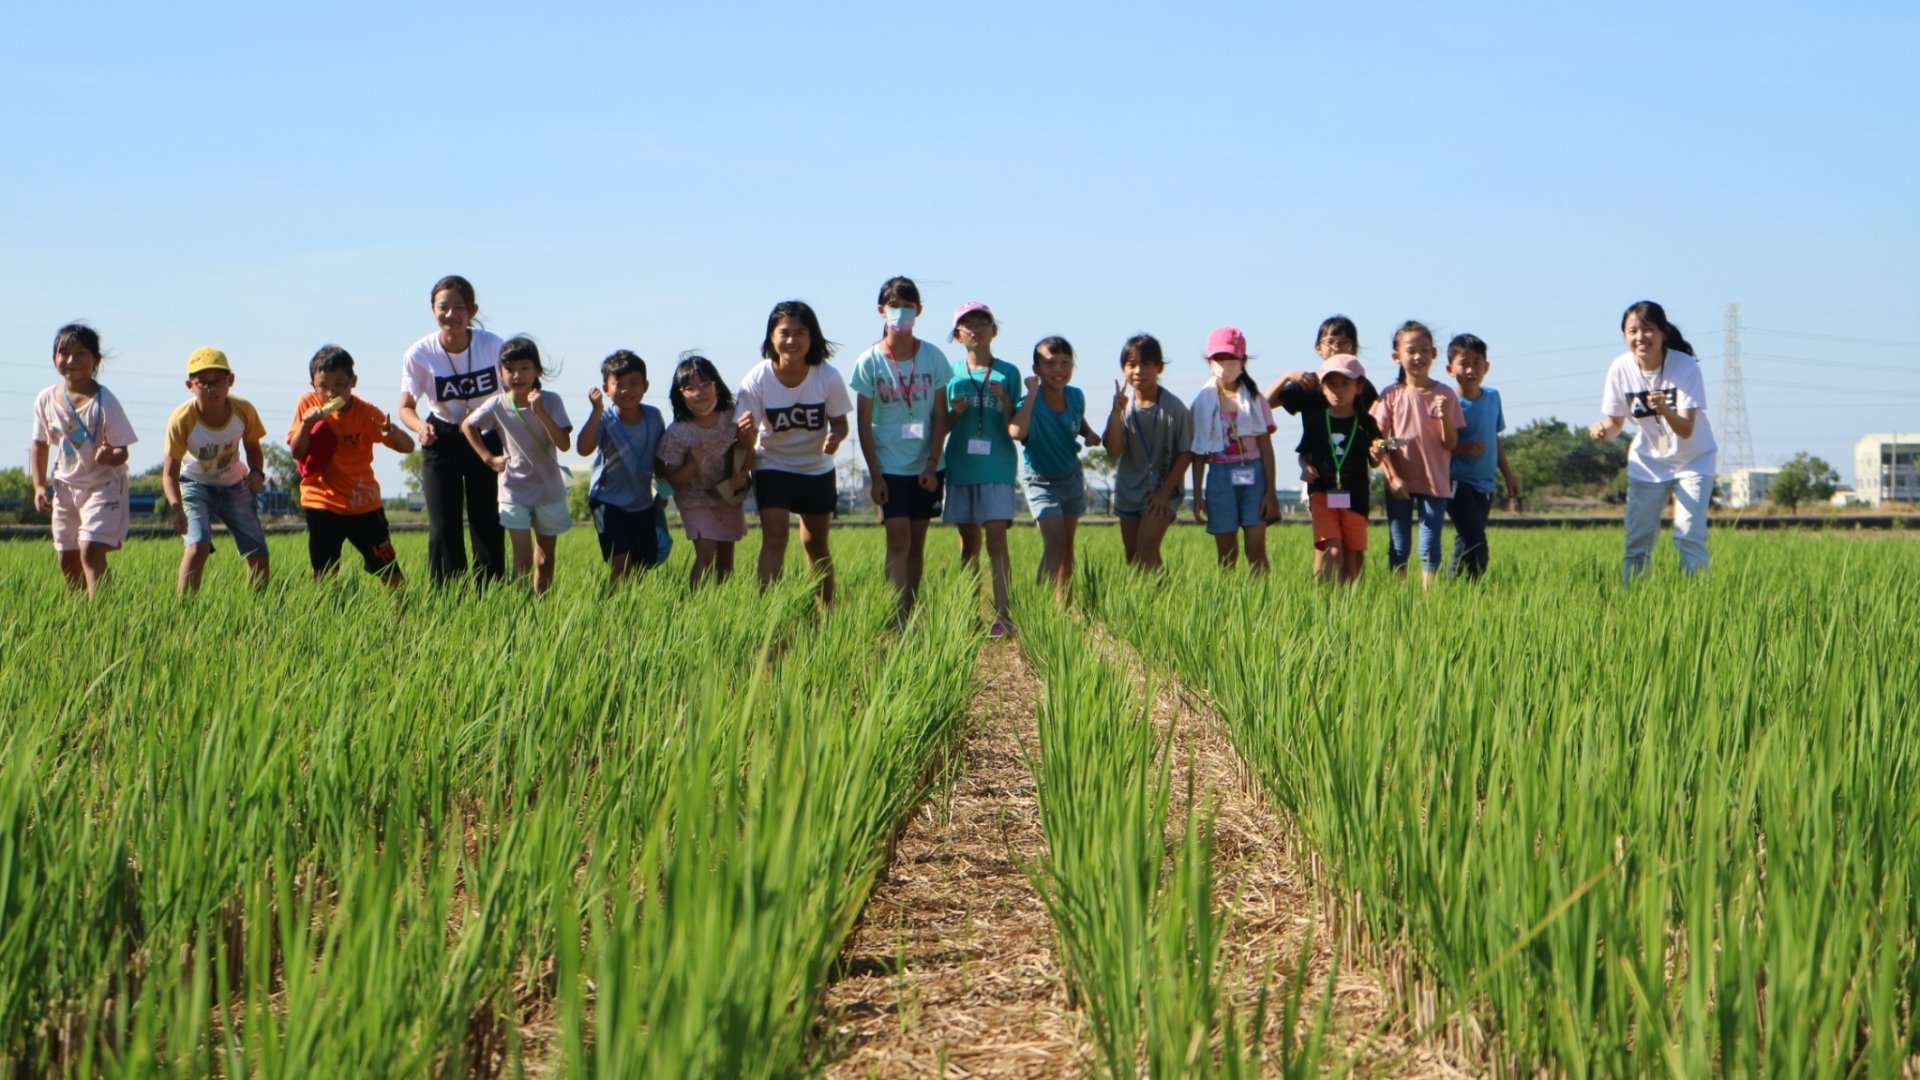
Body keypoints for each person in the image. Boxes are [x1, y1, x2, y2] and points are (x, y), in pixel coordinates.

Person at [1588, 300, 1717, 582]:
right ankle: (1632, 600)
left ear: (1663, 333)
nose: (1640, 337)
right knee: (1637, 542)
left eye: (1648, 329)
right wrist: (1602, 430)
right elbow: (1615, 423)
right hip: (1648, 464)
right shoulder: (1620, 368)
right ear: (1624, 336)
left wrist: (1664, 408)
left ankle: (1699, 601)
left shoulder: (1684, 367)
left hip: (1693, 460)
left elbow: (1685, 429)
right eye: (1632, 331)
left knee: (1689, 536)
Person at [849, 276, 952, 623]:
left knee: (918, 542)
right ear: (881, 311)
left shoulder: (934, 358)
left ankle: (910, 608)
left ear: (918, 310)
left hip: (926, 466)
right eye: (894, 307)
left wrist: (932, 463)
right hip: (889, 465)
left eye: (908, 307)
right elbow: (863, 423)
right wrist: (875, 475)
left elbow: (941, 415)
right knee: (897, 539)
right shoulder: (869, 362)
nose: (901, 314)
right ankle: (895, 617)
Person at [737, 300, 850, 604]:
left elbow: (840, 422)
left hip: (816, 467)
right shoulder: (756, 380)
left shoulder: (827, 376)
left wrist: (835, 437)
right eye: (784, 333)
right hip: (772, 465)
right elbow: (745, 436)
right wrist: (746, 434)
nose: (791, 340)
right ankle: (769, 612)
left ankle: (825, 614)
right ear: (771, 338)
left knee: (815, 543)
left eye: (800, 332)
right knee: (775, 539)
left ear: (812, 337)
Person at [399, 274, 506, 584]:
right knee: (443, 524)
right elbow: (406, 407)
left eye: (459, 307)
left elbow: (514, 390)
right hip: (441, 436)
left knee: (486, 519)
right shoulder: (419, 353)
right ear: (433, 310)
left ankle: (491, 590)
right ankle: (448, 595)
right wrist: (420, 427)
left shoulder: (492, 345)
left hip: (485, 436)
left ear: (472, 310)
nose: (451, 315)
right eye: (443, 307)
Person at [288, 345, 414, 586]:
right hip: (320, 500)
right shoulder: (307, 403)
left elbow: (408, 447)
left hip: (363, 503)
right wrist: (306, 425)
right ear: (313, 384)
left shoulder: (366, 414)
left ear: (352, 382)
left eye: (339, 384)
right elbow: (297, 450)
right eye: (322, 386)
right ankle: (326, 618)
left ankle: (402, 620)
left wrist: (393, 432)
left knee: (389, 570)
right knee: (324, 572)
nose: (330, 393)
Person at [29, 323, 135, 596]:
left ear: (95, 361)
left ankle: (103, 612)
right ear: (54, 358)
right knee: (67, 556)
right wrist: (40, 486)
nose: (71, 360)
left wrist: (110, 456)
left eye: (80, 353)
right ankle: (79, 615)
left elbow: (122, 451)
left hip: (102, 486)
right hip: (64, 487)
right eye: (64, 353)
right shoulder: (45, 399)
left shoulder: (105, 402)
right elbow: (40, 444)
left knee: (90, 549)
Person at [461, 336, 572, 595]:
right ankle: (520, 614)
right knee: (521, 562)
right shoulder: (498, 404)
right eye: (509, 369)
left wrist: (540, 411)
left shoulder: (551, 401)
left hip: (549, 491)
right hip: (513, 492)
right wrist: (488, 458)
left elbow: (564, 444)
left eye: (524, 368)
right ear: (500, 373)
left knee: (544, 562)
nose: (517, 375)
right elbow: (468, 425)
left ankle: (541, 609)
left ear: (537, 371)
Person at [939, 302, 1023, 637]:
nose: (975, 329)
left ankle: (1004, 615)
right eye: (967, 324)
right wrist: (956, 413)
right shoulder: (950, 375)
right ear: (958, 335)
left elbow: (1015, 427)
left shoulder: (1008, 373)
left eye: (982, 323)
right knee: (967, 542)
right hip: (961, 466)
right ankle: (968, 614)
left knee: (997, 539)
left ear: (994, 330)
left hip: (997, 465)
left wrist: (1004, 401)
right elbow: (940, 427)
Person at [161, 348, 270, 595]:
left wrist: (257, 472)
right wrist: (177, 508)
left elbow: (253, 447)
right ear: (190, 384)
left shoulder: (243, 410)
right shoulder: (182, 419)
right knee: (198, 545)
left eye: (218, 381)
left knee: (258, 552)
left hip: (235, 484)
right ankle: (184, 610)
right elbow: (170, 472)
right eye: (203, 382)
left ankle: (260, 608)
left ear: (229, 381)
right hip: (195, 484)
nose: (212, 388)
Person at [1273, 354, 1387, 584]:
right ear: (1322, 388)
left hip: (1356, 496)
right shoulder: (1316, 421)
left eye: (1345, 383)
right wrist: (1305, 469)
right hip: (1322, 495)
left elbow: (1374, 460)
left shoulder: (1367, 423)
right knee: (1333, 550)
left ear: (1359, 387)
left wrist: (1378, 456)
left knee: (1353, 558)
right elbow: (1304, 454)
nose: (1338, 390)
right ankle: (1326, 601)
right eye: (1331, 384)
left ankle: (1348, 607)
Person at [1266, 315, 1362, 580]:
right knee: (1326, 544)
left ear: (1353, 348)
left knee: (1353, 549)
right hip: (1318, 477)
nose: (1336, 347)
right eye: (1330, 341)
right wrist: (1288, 375)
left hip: (1355, 479)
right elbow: (1262, 405)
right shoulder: (1307, 385)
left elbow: (1378, 421)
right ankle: (1323, 602)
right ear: (1318, 348)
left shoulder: (1360, 386)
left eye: (1343, 342)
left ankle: (1354, 603)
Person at [1371, 320, 1461, 589]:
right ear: (1397, 356)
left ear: (1434, 354)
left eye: (1424, 350)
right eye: (1411, 351)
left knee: (1430, 544)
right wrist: (1391, 475)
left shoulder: (1445, 394)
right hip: (1399, 482)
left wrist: (1445, 416)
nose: (1418, 357)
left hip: (1435, 481)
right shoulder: (1390, 395)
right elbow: (1377, 439)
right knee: (1399, 545)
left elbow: (1451, 443)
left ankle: (1427, 599)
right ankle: (1398, 597)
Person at [1010, 336, 1100, 601]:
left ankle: (1064, 605)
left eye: (1065, 363)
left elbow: (1076, 418)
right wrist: (1032, 393)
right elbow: (1017, 431)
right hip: (1040, 480)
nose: (1058, 369)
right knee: (1054, 544)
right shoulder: (1029, 404)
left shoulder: (1076, 396)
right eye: (1050, 363)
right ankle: (1037, 607)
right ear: (1036, 369)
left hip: (1070, 476)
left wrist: (1089, 433)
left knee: (1067, 547)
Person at [657, 353, 753, 587]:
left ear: (716, 386)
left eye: (705, 385)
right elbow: (672, 482)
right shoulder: (677, 433)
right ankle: (694, 607)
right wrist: (692, 464)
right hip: (694, 500)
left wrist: (742, 471)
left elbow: (747, 453)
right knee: (706, 553)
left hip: (727, 497)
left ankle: (719, 609)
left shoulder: (733, 418)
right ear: (680, 395)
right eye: (690, 387)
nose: (699, 392)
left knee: (726, 561)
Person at [1190, 326, 1278, 573]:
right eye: (1219, 358)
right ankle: (1228, 604)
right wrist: (1197, 494)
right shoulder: (1202, 402)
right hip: (1219, 475)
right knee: (1226, 554)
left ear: (1243, 361)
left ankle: (1262, 603)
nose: (1225, 364)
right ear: (1209, 361)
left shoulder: (1256, 399)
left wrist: (1271, 492)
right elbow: (1197, 452)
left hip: (1253, 474)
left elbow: (1265, 446)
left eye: (1231, 358)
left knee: (1255, 549)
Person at [1103, 333, 1192, 572]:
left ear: (1159, 367)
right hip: (1128, 490)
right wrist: (1114, 414)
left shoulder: (1174, 408)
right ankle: (1144, 605)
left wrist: (1164, 491)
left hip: (1162, 492)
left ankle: (1165, 604)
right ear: (1123, 369)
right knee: (1132, 557)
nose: (1138, 371)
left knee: (1147, 550)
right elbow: (1113, 450)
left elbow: (1187, 452)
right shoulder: (1122, 406)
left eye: (1146, 364)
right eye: (1131, 365)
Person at [577, 349, 667, 588]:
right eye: (619, 384)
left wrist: (664, 492)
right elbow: (583, 448)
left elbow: (662, 456)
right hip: (607, 501)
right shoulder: (604, 418)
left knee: (641, 564)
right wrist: (596, 411)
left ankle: (631, 613)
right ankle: (612, 614)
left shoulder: (654, 416)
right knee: (620, 560)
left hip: (642, 502)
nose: (627, 390)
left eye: (634, 383)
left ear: (646, 386)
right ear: (606, 389)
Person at [1444, 334, 1520, 579]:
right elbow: (1439, 448)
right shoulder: (1448, 402)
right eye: (1463, 363)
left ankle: (1456, 588)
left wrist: (1508, 476)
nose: (1470, 369)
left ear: (1486, 367)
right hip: (1456, 482)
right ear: (1450, 368)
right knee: (1476, 541)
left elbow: (1495, 439)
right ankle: (1470, 583)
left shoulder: (1492, 397)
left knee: (1466, 539)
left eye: (1476, 362)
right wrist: (1465, 448)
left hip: (1485, 483)